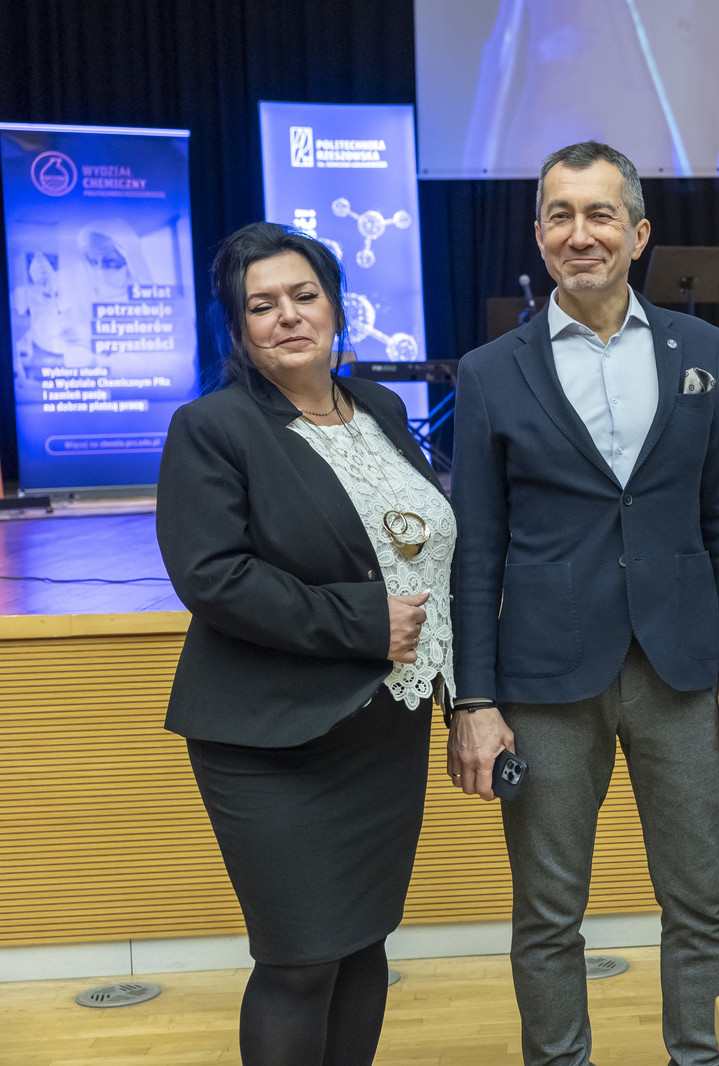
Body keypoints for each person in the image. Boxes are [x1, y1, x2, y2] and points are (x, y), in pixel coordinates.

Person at [448, 140, 719, 1066]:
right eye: (560, 214)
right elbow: (477, 550)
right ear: (539, 234)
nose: (580, 233)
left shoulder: (701, 350)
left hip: (683, 670)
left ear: (638, 233)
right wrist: (475, 700)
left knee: (700, 904)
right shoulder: (490, 371)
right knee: (549, 914)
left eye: (600, 214)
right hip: (544, 680)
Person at [156, 223, 454, 1066]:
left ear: (336, 309)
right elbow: (213, 577)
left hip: (384, 730)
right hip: (272, 738)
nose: (287, 316)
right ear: (237, 327)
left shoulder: (381, 410)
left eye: (304, 295)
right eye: (262, 305)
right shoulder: (212, 427)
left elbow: (425, 551)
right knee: (299, 960)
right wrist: (364, 622)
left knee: (362, 942)